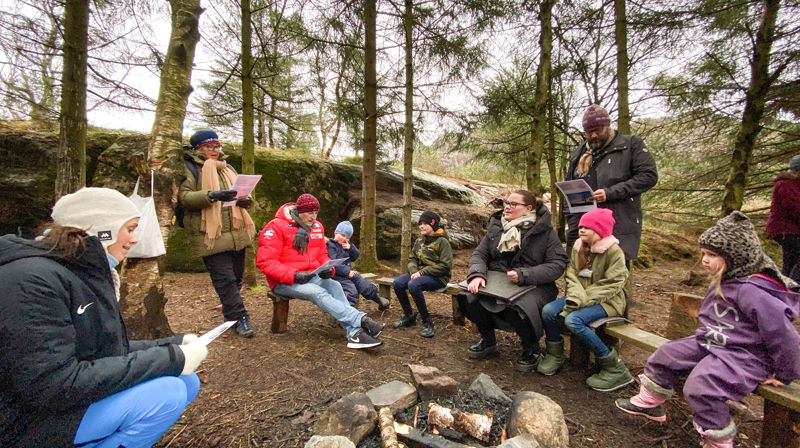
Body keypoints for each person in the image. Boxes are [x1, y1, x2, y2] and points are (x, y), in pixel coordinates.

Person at [0, 187, 207, 448]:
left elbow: (102, 348)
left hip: (53, 402)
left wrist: (173, 345)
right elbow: (51, 384)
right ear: (102, 229)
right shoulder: (31, 281)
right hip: (22, 420)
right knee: (167, 394)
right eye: (130, 229)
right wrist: (171, 358)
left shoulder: (77, 272)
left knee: (186, 382)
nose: (134, 240)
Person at [615, 211, 800, 448]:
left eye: (712, 255)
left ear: (737, 258)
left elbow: (783, 335)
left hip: (743, 355)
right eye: (704, 253)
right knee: (666, 353)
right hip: (713, 341)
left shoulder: (753, 291)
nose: (704, 260)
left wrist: (785, 374)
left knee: (701, 386)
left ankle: (719, 441)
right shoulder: (725, 280)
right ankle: (651, 403)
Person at [257, 193, 386, 349]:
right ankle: (361, 320)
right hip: (283, 281)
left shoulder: (317, 227)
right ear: (299, 210)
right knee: (316, 292)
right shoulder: (276, 226)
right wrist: (294, 275)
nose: (314, 217)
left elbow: (322, 255)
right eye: (310, 213)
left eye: (316, 213)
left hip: (310, 275)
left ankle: (354, 334)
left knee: (335, 286)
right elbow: (266, 262)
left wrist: (328, 269)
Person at [463, 190, 568, 371]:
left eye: (513, 204)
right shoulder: (496, 226)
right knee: (468, 296)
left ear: (528, 208)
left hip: (535, 285)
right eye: (507, 203)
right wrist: (477, 275)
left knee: (520, 307)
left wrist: (524, 275)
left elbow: (557, 264)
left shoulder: (545, 232)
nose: (508, 207)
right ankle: (488, 340)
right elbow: (479, 254)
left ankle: (531, 348)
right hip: (497, 281)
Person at [538, 208, 633, 390]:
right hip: (578, 296)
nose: (581, 230)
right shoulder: (578, 248)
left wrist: (584, 299)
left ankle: (615, 367)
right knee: (548, 311)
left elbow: (614, 282)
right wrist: (575, 295)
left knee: (574, 320)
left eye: (587, 228)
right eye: (581, 226)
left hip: (608, 301)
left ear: (600, 231)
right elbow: (572, 274)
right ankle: (554, 354)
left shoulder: (614, 252)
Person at [179, 129, 257, 337]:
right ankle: (240, 318)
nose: (214, 150)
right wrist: (212, 195)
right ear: (198, 149)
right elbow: (185, 198)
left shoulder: (227, 167)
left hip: (236, 231)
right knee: (225, 279)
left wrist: (246, 200)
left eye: (216, 146)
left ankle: (231, 311)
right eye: (209, 147)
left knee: (237, 278)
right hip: (210, 233)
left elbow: (240, 195)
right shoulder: (190, 168)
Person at [564, 104, 658, 262]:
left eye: (598, 130)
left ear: (607, 126)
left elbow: (648, 176)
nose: (593, 135)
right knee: (579, 272)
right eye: (589, 132)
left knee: (613, 274)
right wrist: (571, 220)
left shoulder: (631, 145)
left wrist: (610, 193)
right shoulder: (579, 153)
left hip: (617, 224)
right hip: (582, 226)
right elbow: (569, 186)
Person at [392, 210, 453, 338]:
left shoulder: (443, 242)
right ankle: (409, 316)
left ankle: (427, 322)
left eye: (425, 223)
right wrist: (414, 271)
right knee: (398, 283)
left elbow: (445, 266)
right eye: (420, 223)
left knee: (413, 285)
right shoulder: (419, 240)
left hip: (438, 277)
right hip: (419, 274)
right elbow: (412, 258)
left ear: (433, 224)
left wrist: (422, 272)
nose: (421, 226)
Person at [326, 220, 390, 309]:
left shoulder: (345, 245)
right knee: (351, 291)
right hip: (337, 275)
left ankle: (376, 297)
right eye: (342, 235)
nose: (345, 239)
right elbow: (333, 263)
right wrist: (347, 272)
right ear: (336, 233)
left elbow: (355, 256)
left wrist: (350, 248)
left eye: (347, 238)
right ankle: (348, 314)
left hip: (348, 273)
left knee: (362, 283)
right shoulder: (330, 245)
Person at [766, 154, 800, 282]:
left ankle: (785, 290)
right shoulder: (786, 184)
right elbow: (795, 208)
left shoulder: (793, 184)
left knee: (790, 261)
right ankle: (795, 290)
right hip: (786, 230)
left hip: (790, 230)